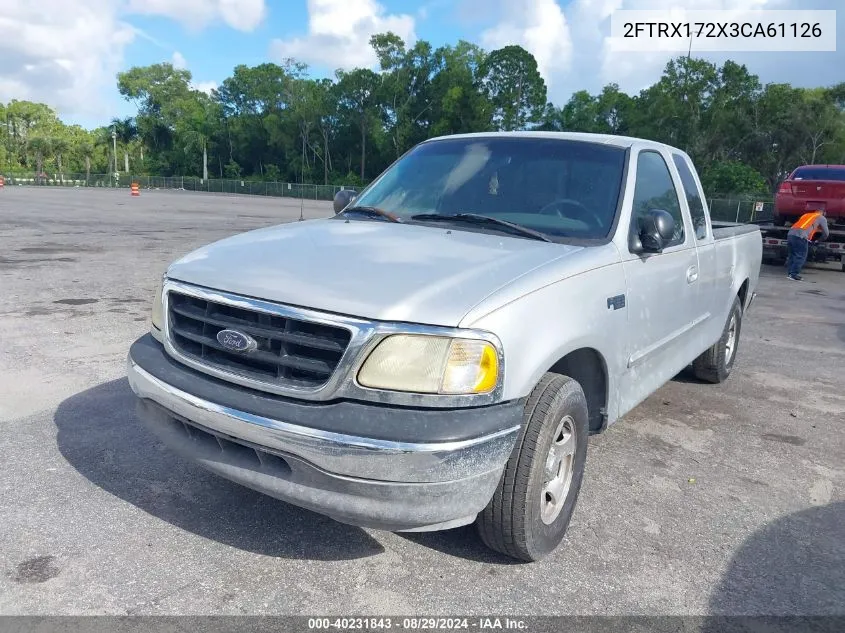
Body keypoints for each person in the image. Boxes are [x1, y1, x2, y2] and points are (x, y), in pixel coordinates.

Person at [786, 209, 829, 281]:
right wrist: (818, 241)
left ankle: (790, 274)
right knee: (801, 255)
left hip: (790, 234)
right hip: (800, 236)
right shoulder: (821, 217)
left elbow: (804, 226)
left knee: (792, 255)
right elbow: (826, 234)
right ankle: (793, 274)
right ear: (823, 213)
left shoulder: (806, 215)